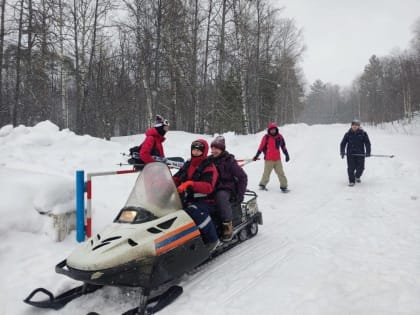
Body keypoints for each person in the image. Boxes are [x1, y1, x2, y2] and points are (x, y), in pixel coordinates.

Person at [172, 139, 219, 251]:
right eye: (194, 149)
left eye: (199, 150)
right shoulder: (188, 164)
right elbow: (178, 177)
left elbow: (208, 187)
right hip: (187, 198)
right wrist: (166, 182)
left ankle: (212, 240)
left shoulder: (209, 166)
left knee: (194, 211)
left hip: (206, 200)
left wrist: (190, 184)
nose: (196, 152)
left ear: (204, 151)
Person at [209, 136, 248, 242]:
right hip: (211, 187)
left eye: (216, 148)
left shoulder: (229, 161)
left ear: (222, 149)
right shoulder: (209, 160)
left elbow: (242, 177)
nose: (213, 151)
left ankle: (227, 226)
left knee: (221, 197)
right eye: (212, 148)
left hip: (226, 188)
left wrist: (240, 194)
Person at [253, 122, 290, 192]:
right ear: (269, 130)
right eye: (271, 130)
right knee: (266, 173)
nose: (273, 131)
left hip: (277, 160)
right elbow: (261, 147)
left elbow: (283, 146)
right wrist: (256, 155)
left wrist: (286, 155)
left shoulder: (280, 137)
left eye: (274, 129)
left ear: (276, 129)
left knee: (281, 173)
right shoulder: (266, 137)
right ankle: (262, 185)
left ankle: (284, 186)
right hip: (268, 159)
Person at [340, 119, 371, 186]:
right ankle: (351, 181)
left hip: (360, 154)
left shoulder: (363, 134)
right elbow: (343, 143)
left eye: (356, 125)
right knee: (351, 168)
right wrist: (342, 152)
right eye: (353, 125)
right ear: (351, 126)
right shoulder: (347, 134)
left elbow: (367, 143)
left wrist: (368, 152)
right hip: (350, 154)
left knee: (361, 168)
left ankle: (357, 176)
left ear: (359, 126)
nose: (354, 126)